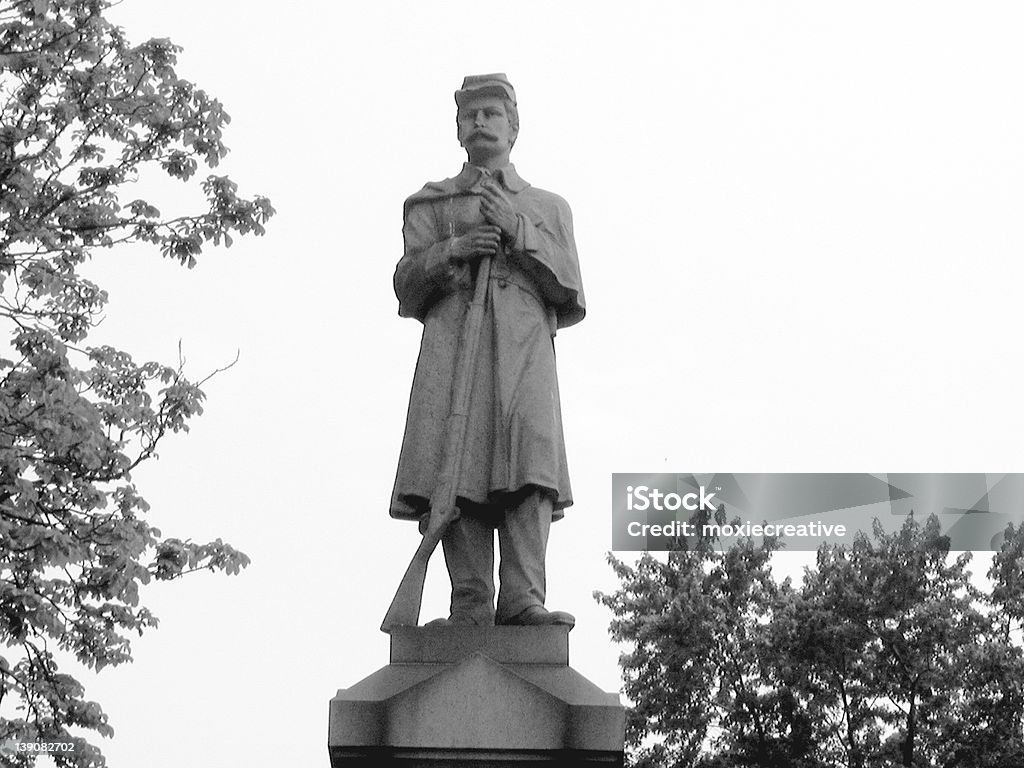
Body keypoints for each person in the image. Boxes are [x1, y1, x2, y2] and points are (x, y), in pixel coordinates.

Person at [390, 74, 585, 627]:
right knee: (457, 471)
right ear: (457, 129)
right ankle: (469, 604)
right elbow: (406, 286)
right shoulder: (433, 203)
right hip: (454, 354)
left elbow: (570, 287)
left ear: (513, 126)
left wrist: (516, 229)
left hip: (524, 354)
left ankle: (525, 598)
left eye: (492, 114)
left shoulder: (548, 207)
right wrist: (453, 249)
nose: (480, 123)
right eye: (470, 116)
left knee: (529, 469)